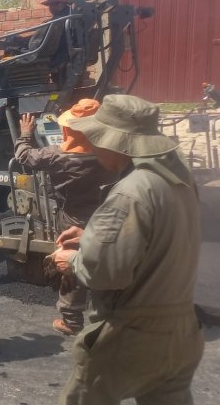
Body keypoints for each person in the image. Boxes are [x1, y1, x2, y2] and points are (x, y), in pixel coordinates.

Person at [47, 95, 204, 404]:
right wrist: (92, 232)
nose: (91, 143)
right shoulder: (176, 181)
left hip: (133, 335)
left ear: (115, 142)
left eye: (96, 136)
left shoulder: (129, 193)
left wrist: (73, 260)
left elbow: (104, 272)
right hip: (183, 332)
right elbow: (154, 239)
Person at [15, 99, 118, 336]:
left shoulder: (58, 157)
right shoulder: (112, 155)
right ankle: (112, 313)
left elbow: (24, 156)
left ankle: (71, 319)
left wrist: (25, 134)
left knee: (71, 265)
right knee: (110, 260)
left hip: (73, 220)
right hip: (109, 215)